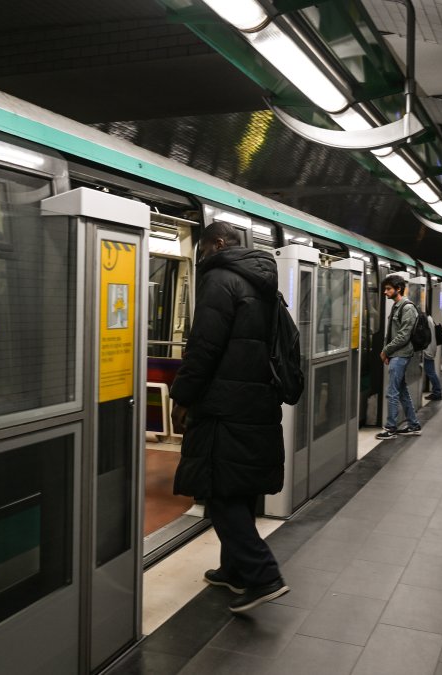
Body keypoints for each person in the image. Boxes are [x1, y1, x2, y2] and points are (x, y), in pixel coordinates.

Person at [169, 221, 289, 614]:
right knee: (238, 487)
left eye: (202, 251)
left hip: (225, 406)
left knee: (219, 493)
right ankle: (233, 570)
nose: (201, 259)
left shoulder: (220, 280)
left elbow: (203, 347)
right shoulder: (265, 282)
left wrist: (182, 396)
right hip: (256, 402)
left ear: (217, 245)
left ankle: (263, 574)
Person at [375, 275, 422, 439]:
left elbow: (403, 336)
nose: (385, 292)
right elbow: (391, 333)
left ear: (399, 288)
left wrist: (386, 350)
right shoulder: (396, 306)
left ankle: (391, 428)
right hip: (396, 354)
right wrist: (387, 351)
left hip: (401, 354)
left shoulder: (407, 308)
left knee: (392, 392)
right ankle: (413, 425)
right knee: (401, 391)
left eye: (388, 289)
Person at [422, 308, 442, 400]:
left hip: (428, 349)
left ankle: (437, 392)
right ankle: (436, 391)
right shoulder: (430, 318)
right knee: (431, 371)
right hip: (431, 348)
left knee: (430, 372)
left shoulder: (426, 319)